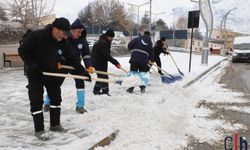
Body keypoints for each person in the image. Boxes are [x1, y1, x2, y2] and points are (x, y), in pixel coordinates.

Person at [18, 17, 91, 141]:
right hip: (36, 73)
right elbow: (23, 51)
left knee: (56, 97)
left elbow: (72, 58)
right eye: (64, 33)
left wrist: (82, 71)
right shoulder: (37, 36)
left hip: (52, 72)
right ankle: (39, 130)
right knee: (36, 100)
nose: (65, 37)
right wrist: (33, 65)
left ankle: (55, 125)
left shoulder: (63, 41)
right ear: (56, 29)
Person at [44, 18, 94, 114]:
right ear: (72, 30)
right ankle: (47, 103)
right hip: (63, 65)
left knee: (80, 84)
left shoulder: (83, 41)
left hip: (76, 65)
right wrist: (58, 60)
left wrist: (89, 66)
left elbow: (86, 55)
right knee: (55, 84)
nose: (80, 34)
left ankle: (80, 106)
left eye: (81, 32)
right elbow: (57, 51)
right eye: (78, 32)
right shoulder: (64, 38)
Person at [91, 30, 121, 96]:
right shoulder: (103, 43)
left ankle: (96, 90)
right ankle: (105, 92)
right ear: (108, 36)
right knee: (104, 77)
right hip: (98, 62)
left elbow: (105, 55)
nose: (112, 39)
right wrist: (115, 63)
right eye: (111, 37)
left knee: (100, 76)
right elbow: (106, 55)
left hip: (99, 61)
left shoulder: (103, 41)